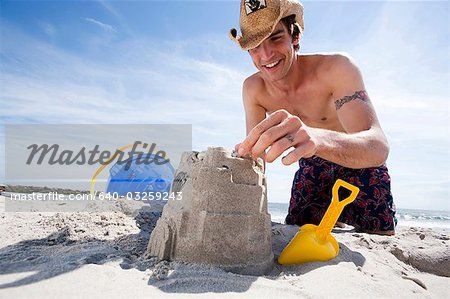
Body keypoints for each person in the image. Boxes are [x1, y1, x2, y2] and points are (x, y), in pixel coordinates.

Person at [230, 0, 396, 235]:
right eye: (254, 45)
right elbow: (256, 158)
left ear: (294, 37)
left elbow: (378, 148)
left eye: (276, 37)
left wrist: (316, 138)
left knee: (379, 234)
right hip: (312, 166)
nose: (265, 55)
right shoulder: (253, 88)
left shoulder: (337, 68)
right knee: (298, 229)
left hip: (359, 160)